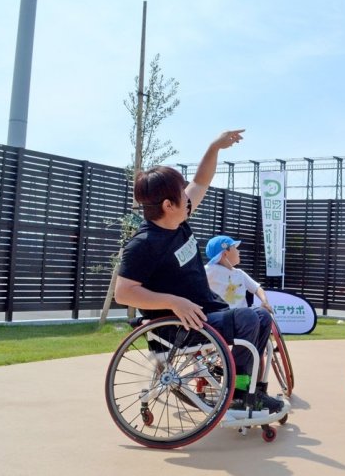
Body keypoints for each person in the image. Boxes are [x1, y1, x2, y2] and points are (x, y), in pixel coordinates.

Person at [114, 129, 282, 412]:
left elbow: (201, 180)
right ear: (168, 205)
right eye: (180, 193)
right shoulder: (143, 244)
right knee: (247, 319)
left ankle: (247, 389)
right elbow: (123, 292)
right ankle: (238, 392)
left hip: (205, 314)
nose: (187, 196)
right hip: (180, 327)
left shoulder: (177, 220)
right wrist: (172, 301)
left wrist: (214, 147)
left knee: (262, 317)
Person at [205, 234, 275, 321]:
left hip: (242, 317)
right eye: (235, 248)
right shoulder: (208, 270)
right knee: (250, 314)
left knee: (263, 314)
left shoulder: (239, 273)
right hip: (224, 317)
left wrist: (265, 302)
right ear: (225, 254)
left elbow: (257, 289)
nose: (239, 251)